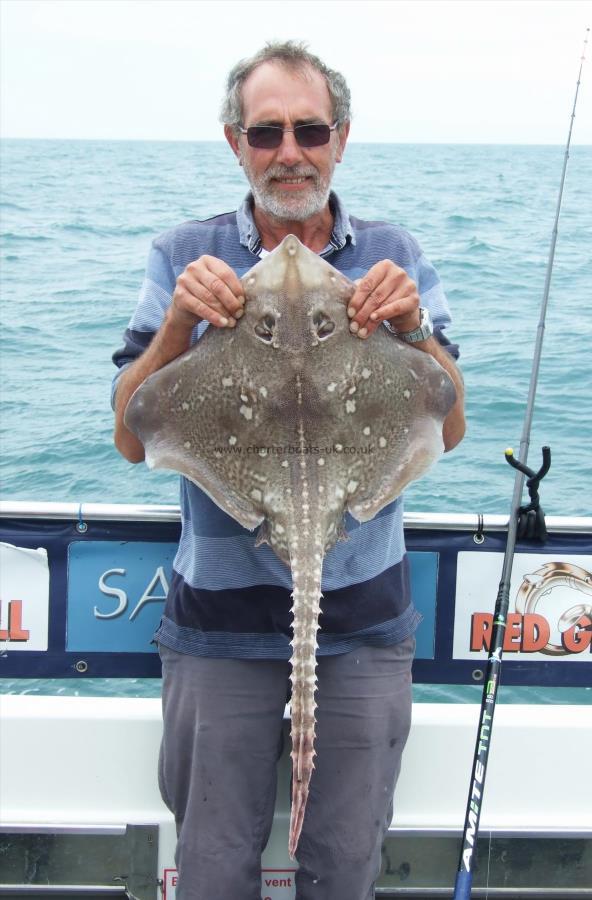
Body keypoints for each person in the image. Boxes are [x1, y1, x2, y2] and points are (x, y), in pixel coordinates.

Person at [113, 40, 465, 900]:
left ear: (341, 137)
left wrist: (410, 328)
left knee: (345, 863)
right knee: (212, 861)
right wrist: (180, 332)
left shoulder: (393, 252)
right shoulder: (182, 253)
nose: (290, 151)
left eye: (309, 129)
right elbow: (131, 434)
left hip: (365, 618)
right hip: (219, 619)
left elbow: (447, 424)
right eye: (266, 132)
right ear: (235, 143)